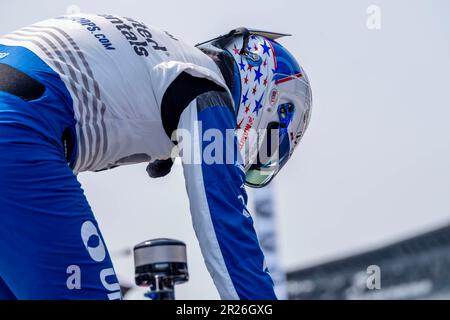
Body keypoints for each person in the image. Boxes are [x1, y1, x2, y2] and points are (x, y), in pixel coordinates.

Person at [0, 13, 312, 300]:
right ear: (265, 97)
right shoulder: (207, 88)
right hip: (20, 131)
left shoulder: (164, 54)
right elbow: (226, 226)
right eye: (267, 140)